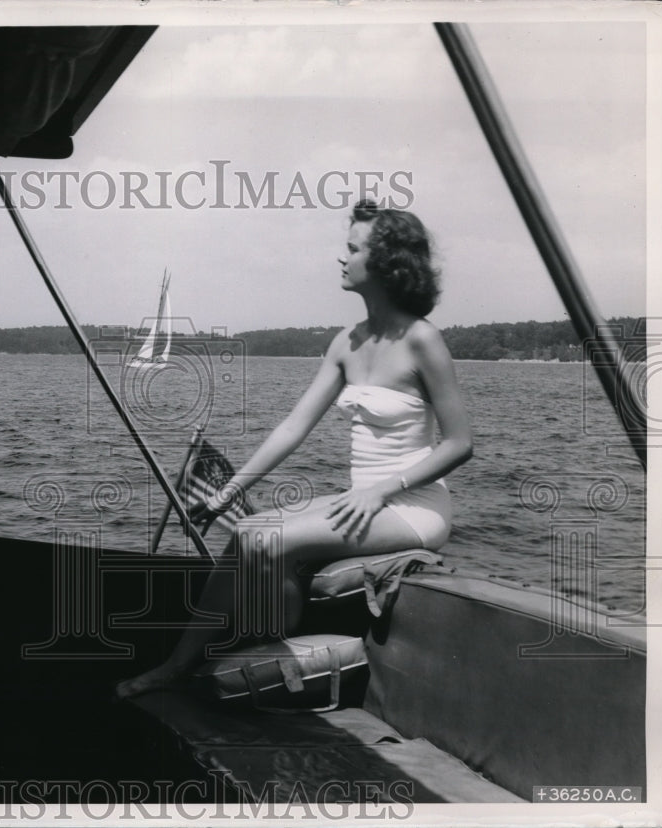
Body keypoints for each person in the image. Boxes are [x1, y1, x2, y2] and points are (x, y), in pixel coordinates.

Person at [115, 199, 473, 700]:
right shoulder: (346, 342)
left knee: (266, 542)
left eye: (353, 249)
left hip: (413, 506)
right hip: (365, 497)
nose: (341, 258)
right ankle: (178, 664)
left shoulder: (422, 341)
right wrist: (229, 491)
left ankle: (276, 647)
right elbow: (293, 428)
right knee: (245, 532)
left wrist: (381, 492)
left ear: (388, 261)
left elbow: (460, 444)